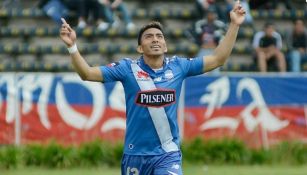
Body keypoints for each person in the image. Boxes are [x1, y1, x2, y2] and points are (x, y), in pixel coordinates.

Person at [59, 1, 246, 174]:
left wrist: (234, 25)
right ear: (140, 48)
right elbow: (87, 74)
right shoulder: (127, 69)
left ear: (165, 45)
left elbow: (217, 59)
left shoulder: (179, 66)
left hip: (168, 154)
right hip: (135, 155)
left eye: (159, 36)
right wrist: (72, 47)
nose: (155, 39)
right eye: (149, 37)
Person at [194, 7, 226, 74]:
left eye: (213, 14)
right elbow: (195, 36)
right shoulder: (201, 24)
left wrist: (218, 45)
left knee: (215, 72)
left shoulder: (220, 25)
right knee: (201, 70)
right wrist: (200, 44)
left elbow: (225, 36)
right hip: (203, 49)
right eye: (209, 14)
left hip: (214, 50)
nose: (211, 16)